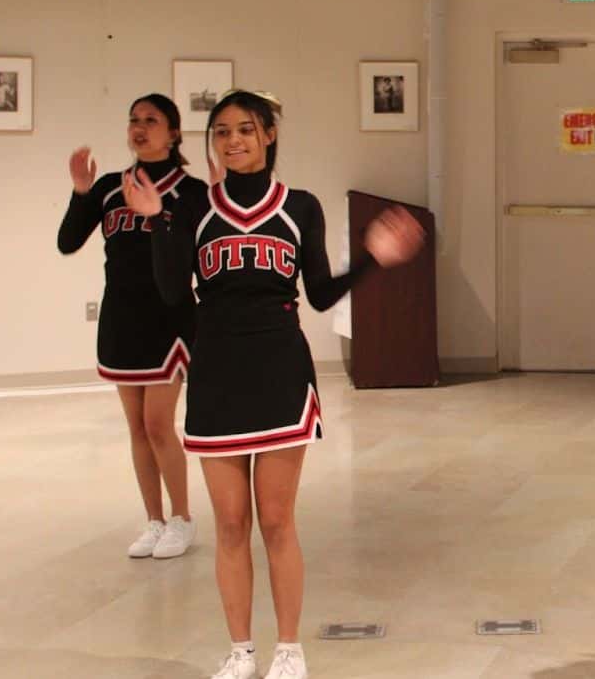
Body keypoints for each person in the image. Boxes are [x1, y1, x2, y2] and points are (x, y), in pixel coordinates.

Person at [125, 90, 425, 679]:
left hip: (280, 374)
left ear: (268, 135)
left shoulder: (301, 207)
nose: (233, 141)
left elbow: (317, 293)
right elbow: (170, 293)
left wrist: (371, 258)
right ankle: (241, 652)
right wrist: (155, 221)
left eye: (244, 129)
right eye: (221, 133)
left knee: (277, 522)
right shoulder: (191, 207)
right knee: (230, 524)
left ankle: (290, 650)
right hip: (215, 378)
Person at [57, 93, 204, 559]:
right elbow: (67, 242)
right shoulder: (107, 187)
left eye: (152, 120)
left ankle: (182, 518)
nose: (140, 128)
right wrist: (81, 191)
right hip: (121, 318)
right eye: (134, 120)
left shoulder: (191, 191)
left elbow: (193, 260)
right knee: (137, 429)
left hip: (169, 318)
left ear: (174, 133)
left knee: (159, 424)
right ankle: (154, 521)